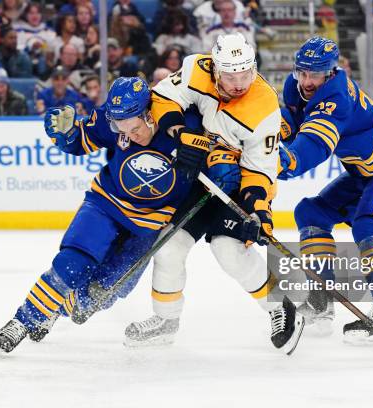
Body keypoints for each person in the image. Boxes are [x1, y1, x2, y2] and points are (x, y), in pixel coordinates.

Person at [124, 33, 304, 354]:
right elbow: (163, 98)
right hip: (205, 175)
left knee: (228, 250)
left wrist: (258, 213)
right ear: (216, 70)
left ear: (253, 68)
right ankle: (165, 321)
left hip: (239, 182)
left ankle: (280, 306)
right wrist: (181, 135)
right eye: (231, 75)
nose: (239, 83)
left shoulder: (263, 108)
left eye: (245, 74)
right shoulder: (197, 68)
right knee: (169, 246)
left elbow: (260, 169)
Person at [0, 77, 197, 353]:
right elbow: (80, 141)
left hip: (148, 226)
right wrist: (66, 135)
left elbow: (222, 158)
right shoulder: (112, 120)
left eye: (135, 128)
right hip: (105, 205)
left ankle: (54, 307)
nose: (130, 135)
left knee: (98, 296)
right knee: (71, 263)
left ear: (150, 114)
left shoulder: (186, 126)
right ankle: (22, 320)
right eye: (121, 129)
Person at [278, 37, 373, 344]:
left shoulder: (335, 99)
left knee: (370, 226)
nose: (306, 81)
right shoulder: (297, 87)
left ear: (331, 72)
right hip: (366, 171)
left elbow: (313, 145)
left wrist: (280, 162)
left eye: (314, 74)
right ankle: (321, 301)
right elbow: (290, 125)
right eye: (302, 72)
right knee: (311, 212)